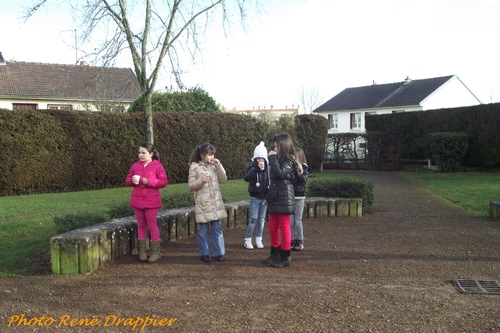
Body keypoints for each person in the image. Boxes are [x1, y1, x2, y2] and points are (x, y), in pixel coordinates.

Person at [263, 133, 303, 268]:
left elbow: (280, 173)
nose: (275, 149)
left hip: (285, 196)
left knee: (284, 227)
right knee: (272, 226)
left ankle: (285, 256)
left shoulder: (290, 160)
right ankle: (274, 252)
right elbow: (274, 181)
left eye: (277, 146)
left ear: (283, 146)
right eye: (274, 147)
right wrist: (268, 197)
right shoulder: (279, 159)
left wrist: (272, 158)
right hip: (275, 196)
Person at [125, 142, 168, 263]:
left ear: (151, 154)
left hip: (151, 201)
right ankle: (142, 252)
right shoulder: (135, 166)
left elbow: (163, 182)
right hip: (137, 200)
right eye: (139, 152)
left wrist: (148, 181)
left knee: (152, 225)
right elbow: (128, 180)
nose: (140, 155)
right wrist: (132, 180)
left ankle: (155, 252)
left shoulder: (157, 166)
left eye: (143, 153)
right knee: (141, 225)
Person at [188, 143, 227, 263]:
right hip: (203, 204)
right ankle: (204, 253)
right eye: (210, 155)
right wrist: (201, 180)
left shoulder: (214, 166)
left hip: (215, 203)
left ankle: (219, 252)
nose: (212, 157)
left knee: (217, 229)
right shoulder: (194, 167)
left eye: (213, 154)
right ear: (202, 155)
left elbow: (223, 179)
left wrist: (219, 166)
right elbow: (191, 186)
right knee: (203, 230)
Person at [243, 141, 270, 249]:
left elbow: (270, 183)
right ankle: (248, 239)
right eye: (258, 158)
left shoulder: (268, 169)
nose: (260, 160)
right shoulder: (251, 167)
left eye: (262, 158)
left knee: (261, 219)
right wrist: (256, 169)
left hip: (264, 198)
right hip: (254, 197)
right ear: (255, 159)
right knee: (253, 219)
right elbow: (246, 178)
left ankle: (259, 238)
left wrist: (268, 197)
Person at [291, 147, 309, 251]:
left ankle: (300, 240)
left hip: (299, 197)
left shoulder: (304, 168)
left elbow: (303, 179)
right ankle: (292, 239)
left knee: (298, 220)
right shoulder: (290, 167)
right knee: (291, 221)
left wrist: (298, 170)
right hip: (291, 196)